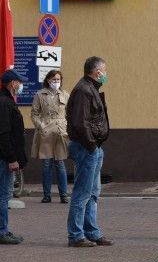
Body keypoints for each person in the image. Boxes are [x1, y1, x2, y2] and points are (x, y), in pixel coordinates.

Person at [65, 56, 113, 248]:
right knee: (82, 193)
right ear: (97, 72)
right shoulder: (84, 90)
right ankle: (75, 235)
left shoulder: (90, 88)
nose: (106, 74)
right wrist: (92, 145)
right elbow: (80, 122)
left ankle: (91, 232)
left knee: (92, 193)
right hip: (87, 147)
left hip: (93, 147)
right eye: (104, 70)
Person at [30, 69, 70, 203]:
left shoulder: (65, 94)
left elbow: (71, 113)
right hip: (45, 130)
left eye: (58, 80)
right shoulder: (40, 95)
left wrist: (68, 127)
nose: (56, 82)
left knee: (60, 163)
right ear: (48, 80)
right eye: (54, 80)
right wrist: (40, 126)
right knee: (46, 163)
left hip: (60, 130)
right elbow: (34, 113)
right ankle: (47, 195)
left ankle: (63, 195)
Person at [0, 69, 28, 245]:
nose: (21, 85)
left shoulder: (7, 101)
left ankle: (3, 230)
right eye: (19, 82)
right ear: (13, 84)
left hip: (5, 157)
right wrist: (11, 158)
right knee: (3, 195)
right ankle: (2, 231)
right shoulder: (4, 103)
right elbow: (4, 134)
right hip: (4, 159)